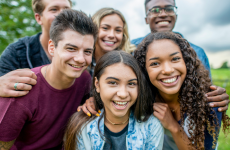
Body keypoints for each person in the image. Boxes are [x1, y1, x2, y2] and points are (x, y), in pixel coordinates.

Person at [79, 0, 229, 116]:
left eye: (169, 9)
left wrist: (217, 96)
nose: (162, 14)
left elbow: (205, 93)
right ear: (146, 18)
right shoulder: (134, 49)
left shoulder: (196, 52)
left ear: (176, 14)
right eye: (155, 10)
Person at [0, 9, 98, 150]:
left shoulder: (84, 79)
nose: (80, 59)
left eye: (87, 51)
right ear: (52, 48)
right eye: (71, 48)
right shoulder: (22, 89)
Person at [134, 32, 230, 150]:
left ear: (186, 62)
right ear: (144, 70)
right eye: (155, 63)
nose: (168, 70)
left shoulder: (209, 102)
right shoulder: (143, 100)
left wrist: (173, 126)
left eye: (175, 59)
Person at [64, 51, 164, 150]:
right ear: (97, 84)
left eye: (131, 84)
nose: (123, 94)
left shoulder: (151, 127)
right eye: (113, 82)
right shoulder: (83, 127)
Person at [0, 0, 72, 97]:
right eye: (54, 9)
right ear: (38, 18)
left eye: (67, 9)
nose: (63, 15)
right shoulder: (17, 53)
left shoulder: (85, 51)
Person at [88, 7, 136, 76]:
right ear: (94, 29)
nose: (111, 35)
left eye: (118, 30)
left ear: (123, 34)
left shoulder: (133, 60)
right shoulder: (82, 59)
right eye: (105, 28)